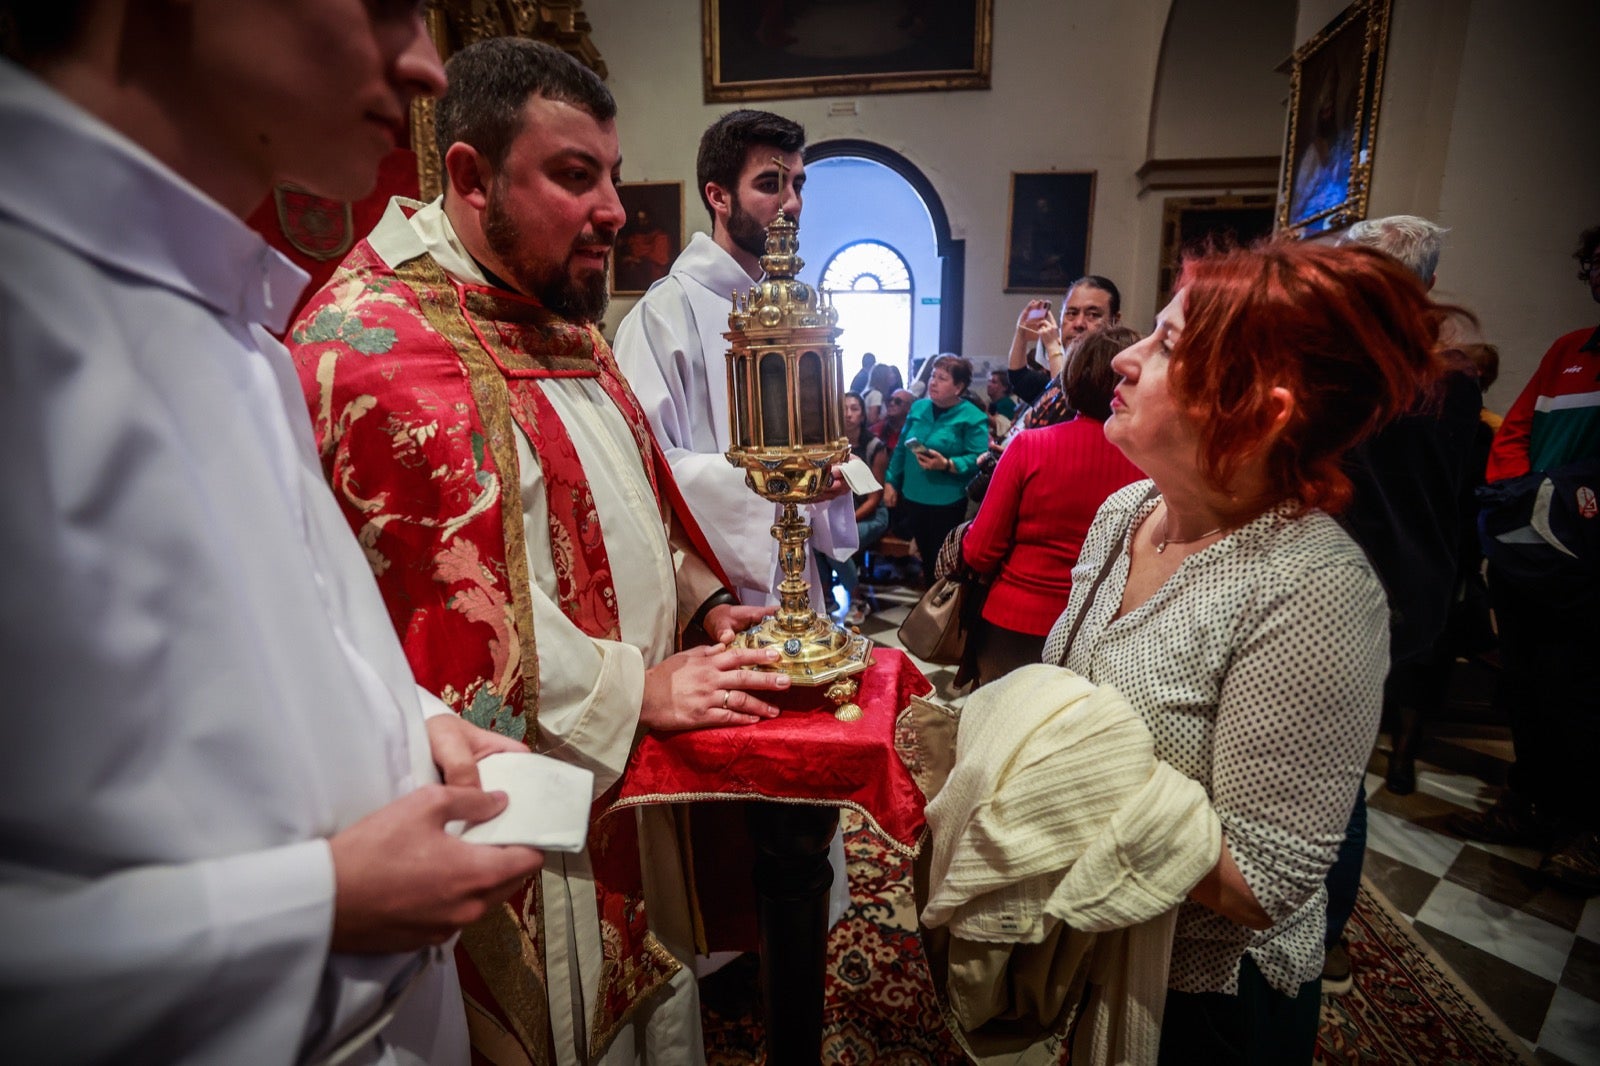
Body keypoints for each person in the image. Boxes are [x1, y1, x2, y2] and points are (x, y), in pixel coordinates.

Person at [0, 4, 551, 1063]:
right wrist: (317, 901)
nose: (429, 68)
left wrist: (409, 723)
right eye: (385, 4)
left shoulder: (239, 327)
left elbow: (274, 648)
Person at [287, 39, 789, 1064]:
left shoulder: (558, 311)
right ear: (469, 177)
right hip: (542, 784)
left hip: (634, 775)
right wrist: (634, 691)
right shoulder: (374, 353)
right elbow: (431, 618)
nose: (614, 208)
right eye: (574, 175)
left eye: (610, 172)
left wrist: (696, 609)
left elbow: (636, 492)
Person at [1041, 241, 1444, 1062]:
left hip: (1204, 997)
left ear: (1264, 410)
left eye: (1166, 346)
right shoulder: (1128, 511)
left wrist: (1037, 769)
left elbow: (1260, 882)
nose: (1122, 357)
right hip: (1096, 931)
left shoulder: (1312, 587)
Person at [614, 109, 856, 609]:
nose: (792, 204)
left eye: (798, 185)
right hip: (713, 593)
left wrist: (822, 471)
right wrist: (783, 478)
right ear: (718, 196)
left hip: (792, 570)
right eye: (770, 184)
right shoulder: (661, 316)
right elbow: (645, 475)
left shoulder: (793, 308)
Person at [1451, 224, 1600, 894]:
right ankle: (1530, 801)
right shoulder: (1570, 351)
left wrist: (1579, 495)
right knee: (1531, 685)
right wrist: (1523, 494)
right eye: (1594, 261)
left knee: (1585, 693)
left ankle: (1587, 831)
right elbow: (1513, 432)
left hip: (1590, 559)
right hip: (1537, 546)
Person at [960, 331, 1145, 687]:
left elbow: (980, 552)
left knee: (998, 734)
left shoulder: (1029, 447)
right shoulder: (1151, 461)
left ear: (1069, 379)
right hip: (1100, 632)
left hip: (1015, 623)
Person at [883, 355, 990, 585]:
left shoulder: (972, 417)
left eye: (942, 378)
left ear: (958, 387)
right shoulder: (919, 407)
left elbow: (979, 458)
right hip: (913, 495)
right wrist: (891, 481)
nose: (933, 382)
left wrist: (949, 464)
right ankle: (930, 606)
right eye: (933, 376)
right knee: (925, 558)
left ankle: (943, 612)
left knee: (942, 562)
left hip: (947, 500)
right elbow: (902, 446)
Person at [815, 392, 890, 626]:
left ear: (863, 413)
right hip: (837, 514)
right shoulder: (829, 444)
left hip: (871, 514)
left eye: (855, 408)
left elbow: (875, 497)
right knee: (817, 540)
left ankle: (857, 599)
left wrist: (846, 522)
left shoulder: (874, 446)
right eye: (844, 408)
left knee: (835, 541)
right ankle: (826, 596)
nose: (848, 414)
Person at [1005, 275, 1123, 405]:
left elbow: (1065, 407)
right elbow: (1019, 377)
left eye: (1093, 315)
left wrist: (1054, 348)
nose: (1079, 323)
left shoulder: (1118, 378)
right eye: (1072, 313)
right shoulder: (1062, 372)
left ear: (1115, 321)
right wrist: (1021, 332)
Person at [872, 388, 915, 453]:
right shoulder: (875, 430)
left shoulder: (914, 433)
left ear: (909, 407)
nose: (891, 403)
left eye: (898, 401)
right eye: (890, 400)